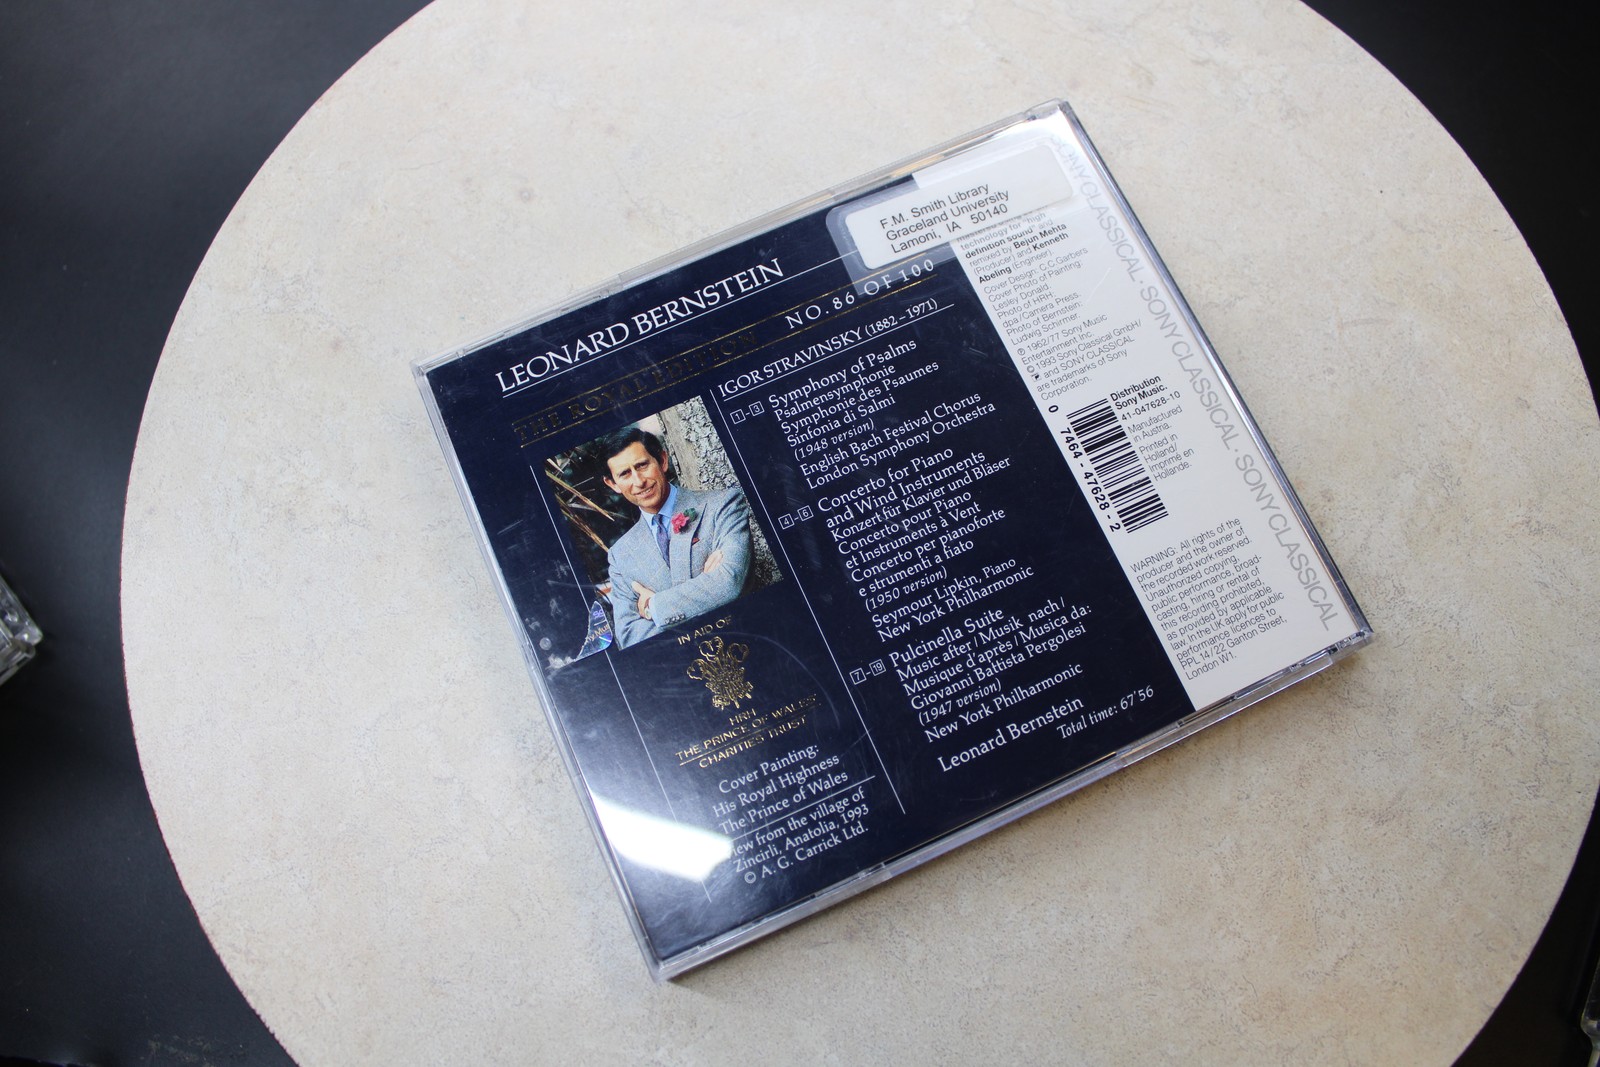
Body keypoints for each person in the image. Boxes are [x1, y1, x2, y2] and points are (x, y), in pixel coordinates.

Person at [599, 428, 752, 648]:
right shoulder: (620, 556)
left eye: (642, 465)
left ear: (662, 460)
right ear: (613, 484)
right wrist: (706, 590)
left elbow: (729, 583)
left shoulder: (722, 505)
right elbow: (630, 637)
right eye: (625, 474)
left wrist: (653, 607)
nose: (639, 481)